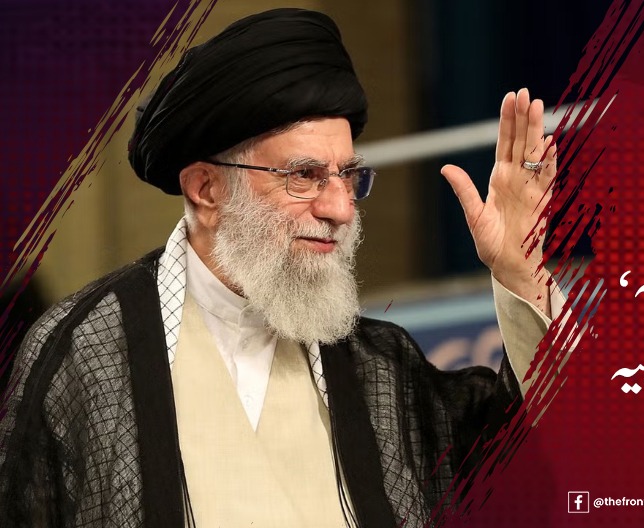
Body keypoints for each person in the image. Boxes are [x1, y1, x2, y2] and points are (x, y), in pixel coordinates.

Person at [0, 8, 562, 528]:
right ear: (206, 189)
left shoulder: (380, 366)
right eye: (304, 177)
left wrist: (522, 272)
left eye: (349, 176)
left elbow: (528, 471)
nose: (340, 209)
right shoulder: (84, 355)